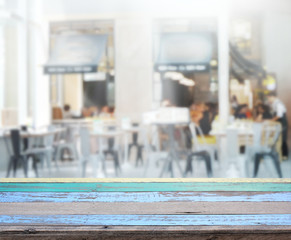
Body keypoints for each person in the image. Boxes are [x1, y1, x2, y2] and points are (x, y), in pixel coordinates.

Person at [267, 92, 289, 159]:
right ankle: (279, 153)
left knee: (283, 138)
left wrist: (271, 120)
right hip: (278, 123)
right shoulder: (275, 104)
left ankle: (284, 155)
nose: (268, 100)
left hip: (282, 123)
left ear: (272, 96)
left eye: (269, 98)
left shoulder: (279, 104)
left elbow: (279, 115)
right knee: (278, 138)